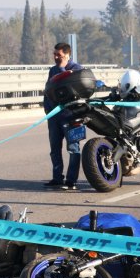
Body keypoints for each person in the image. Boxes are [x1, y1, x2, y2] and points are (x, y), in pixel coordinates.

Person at [43, 42, 82, 190]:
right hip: (55, 117)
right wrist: (47, 110)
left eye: (58, 55)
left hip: (71, 117)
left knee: (73, 148)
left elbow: (67, 86)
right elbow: (48, 91)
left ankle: (71, 180)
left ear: (67, 55)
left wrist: (62, 68)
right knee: (54, 149)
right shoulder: (52, 70)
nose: (55, 57)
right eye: (54, 54)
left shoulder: (76, 69)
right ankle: (57, 177)